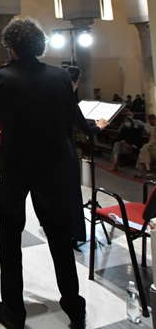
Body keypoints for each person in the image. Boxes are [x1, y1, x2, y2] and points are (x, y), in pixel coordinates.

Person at [0, 17, 86, 329]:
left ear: (11, 47)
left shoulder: (3, 77)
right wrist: (92, 128)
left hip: (17, 166)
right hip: (54, 166)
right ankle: (74, 306)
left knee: (10, 235)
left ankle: (14, 311)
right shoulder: (60, 76)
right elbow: (75, 116)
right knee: (58, 235)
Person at [65, 66, 108, 246]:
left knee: (58, 193)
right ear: (76, 82)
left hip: (49, 154)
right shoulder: (68, 102)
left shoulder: (48, 99)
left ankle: (56, 226)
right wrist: (100, 126)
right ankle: (73, 235)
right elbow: (88, 131)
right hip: (65, 153)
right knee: (72, 194)